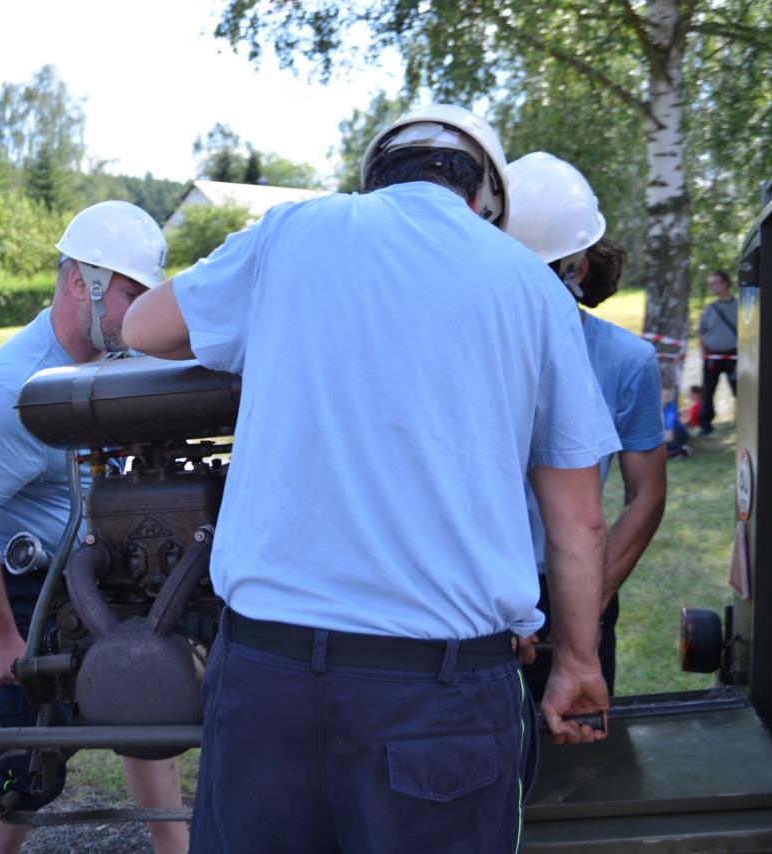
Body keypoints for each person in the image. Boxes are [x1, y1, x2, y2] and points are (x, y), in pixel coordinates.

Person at [123, 104, 618, 853]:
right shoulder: (533, 287)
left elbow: (142, 328)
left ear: (374, 178)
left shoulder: (293, 232)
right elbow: (579, 521)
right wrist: (577, 661)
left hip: (267, 680)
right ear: (484, 198)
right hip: (440, 697)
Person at [0, 200, 187, 854]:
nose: (141, 313)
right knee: (26, 765)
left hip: (108, 569)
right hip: (27, 589)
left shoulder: (124, 361)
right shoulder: (11, 390)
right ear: (83, 282)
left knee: (148, 710)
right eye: (130, 295)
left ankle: (173, 845)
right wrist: (0, 636)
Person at [505, 152, 668, 700]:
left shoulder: (627, 360)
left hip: (573, 584)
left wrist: (585, 604)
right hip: (484, 589)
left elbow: (646, 495)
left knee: (576, 749)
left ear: (575, 269)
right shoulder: (473, 354)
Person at [698, 270, 738, 435]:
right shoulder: (710, 308)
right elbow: (701, 332)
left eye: (714, 283)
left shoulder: (739, 306)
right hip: (712, 357)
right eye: (710, 284)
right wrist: (703, 353)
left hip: (734, 356)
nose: (711, 286)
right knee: (708, 392)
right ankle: (705, 425)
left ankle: (744, 421)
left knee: (739, 390)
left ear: (725, 283)